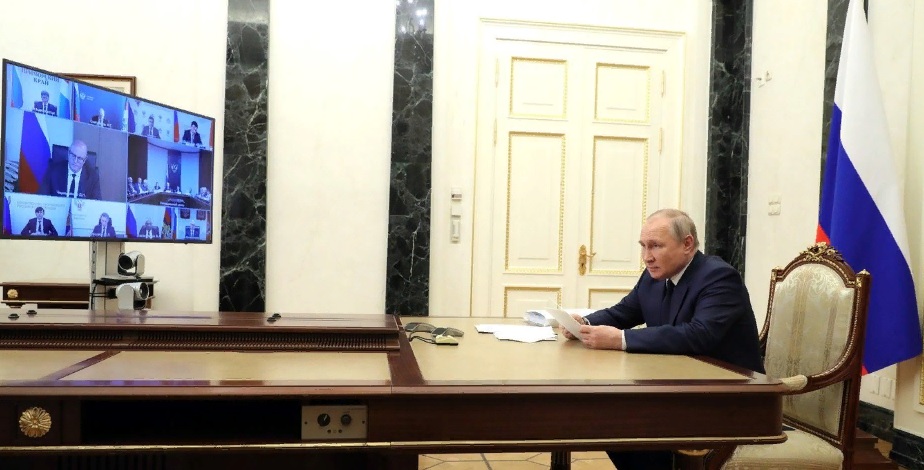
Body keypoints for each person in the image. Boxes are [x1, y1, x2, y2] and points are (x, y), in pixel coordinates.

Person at [561, 208, 763, 470]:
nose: (647, 256)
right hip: (675, 388)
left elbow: (699, 334)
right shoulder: (654, 275)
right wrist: (584, 324)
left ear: (687, 244)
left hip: (725, 396)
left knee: (627, 420)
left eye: (656, 246)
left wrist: (620, 339)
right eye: (643, 246)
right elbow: (624, 312)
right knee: (606, 414)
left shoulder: (718, 277)